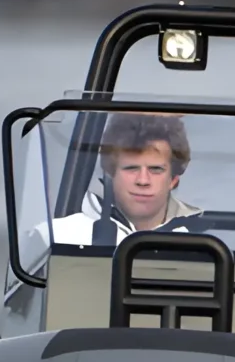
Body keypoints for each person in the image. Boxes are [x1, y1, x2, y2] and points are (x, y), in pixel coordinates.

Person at [16, 112, 203, 273]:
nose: (143, 180)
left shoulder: (205, 246)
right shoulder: (53, 238)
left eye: (155, 170)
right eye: (131, 168)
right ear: (110, 174)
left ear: (173, 179)